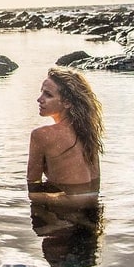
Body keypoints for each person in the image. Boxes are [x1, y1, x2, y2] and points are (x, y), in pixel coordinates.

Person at [26, 66, 104, 199]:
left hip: (65, 209)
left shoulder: (41, 135)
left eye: (48, 95)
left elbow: (33, 185)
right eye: (41, 92)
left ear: (67, 103)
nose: (39, 99)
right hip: (92, 208)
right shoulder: (88, 132)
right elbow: (95, 182)